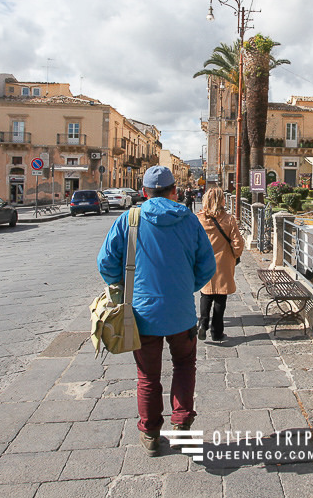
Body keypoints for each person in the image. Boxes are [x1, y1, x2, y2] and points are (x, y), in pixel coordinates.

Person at [97, 166, 216, 457]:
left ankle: (150, 434)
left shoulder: (130, 219)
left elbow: (106, 263)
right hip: (181, 312)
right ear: (174, 191)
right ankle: (182, 423)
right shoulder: (189, 220)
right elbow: (207, 266)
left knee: (147, 376)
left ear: (143, 192)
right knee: (185, 365)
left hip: (142, 313)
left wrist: (125, 287)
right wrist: (187, 286)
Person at [195, 187, 245, 343]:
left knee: (206, 294)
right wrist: (235, 255)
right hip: (223, 262)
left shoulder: (198, 219)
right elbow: (238, 243)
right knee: (220, 297)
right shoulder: (228, 219)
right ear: (221, 200)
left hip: (204, 262)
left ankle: (203, 323)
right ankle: (217, 332)